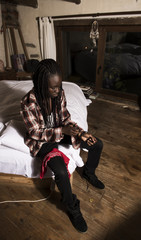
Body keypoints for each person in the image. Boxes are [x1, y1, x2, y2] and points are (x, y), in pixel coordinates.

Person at [20, 58, 104, 233]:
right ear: (42, 84)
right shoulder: (28, 102)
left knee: (96, 144)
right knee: (60, 171)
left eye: (59, 86)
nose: (57, 90)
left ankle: (89, 172)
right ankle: (72, 208)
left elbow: (65, 119)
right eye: (53, 87)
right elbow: (35, 133)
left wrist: (81, 133)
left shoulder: (59, 94)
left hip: (60, 131)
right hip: (41, 141)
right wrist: (62, 132)